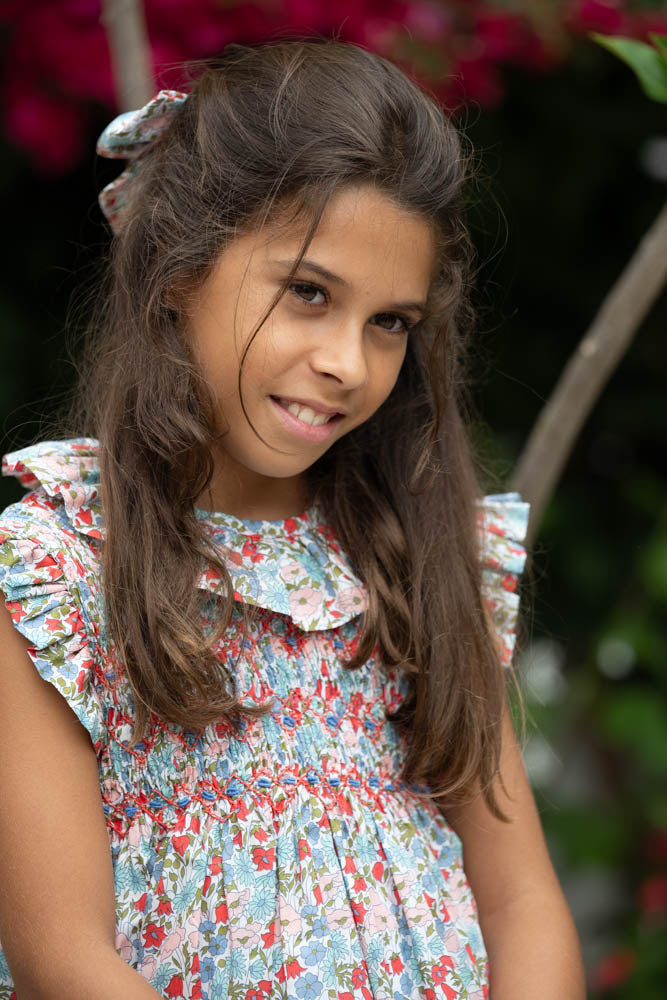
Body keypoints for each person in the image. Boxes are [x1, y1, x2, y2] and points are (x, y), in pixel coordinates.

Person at [0, 39, 585, 1000]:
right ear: (179, 267)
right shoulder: (62, 567)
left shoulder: (417, 555)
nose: (347, 362)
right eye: (308, 293)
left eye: (388, 322)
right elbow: (61, 956)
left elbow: (522, 905)